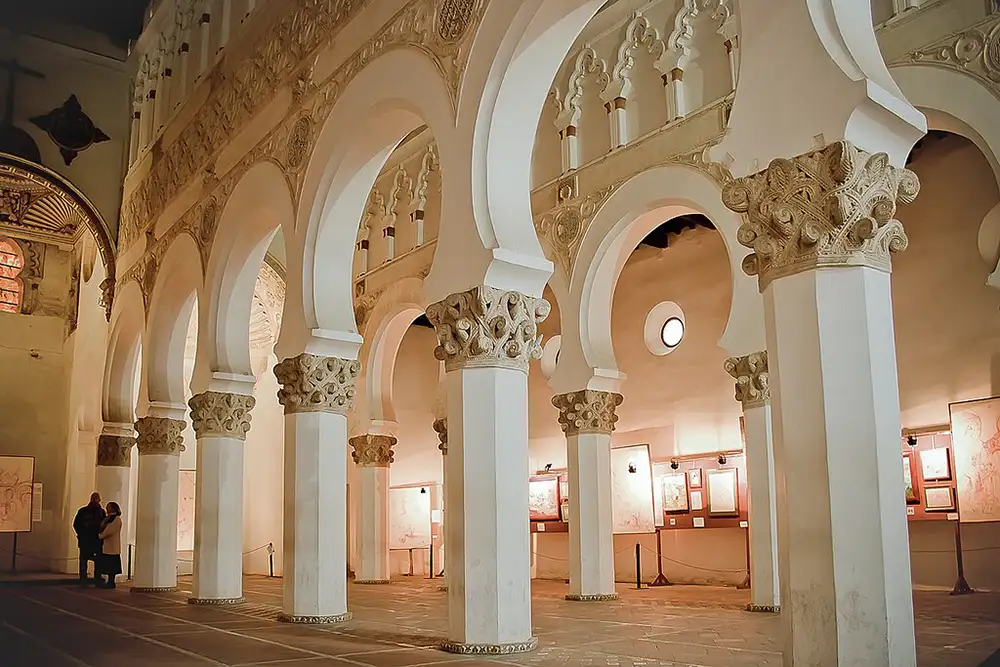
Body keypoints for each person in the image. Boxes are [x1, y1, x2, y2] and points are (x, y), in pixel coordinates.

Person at [73, 492, 105, 586]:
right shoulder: (83, 511)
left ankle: (96, 580)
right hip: (87, 540)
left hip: (95, 540)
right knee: (84, 561)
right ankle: (84, 580)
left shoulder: (101, 512)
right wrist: (82, 534)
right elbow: (76, 524)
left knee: (97, 561)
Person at [98, 502, 123, 589]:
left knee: (112, 565)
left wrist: (101, 535)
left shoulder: (116, 519)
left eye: (109, 507)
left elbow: (110, 530)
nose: (107, 508)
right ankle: (109, 581)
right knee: (107, 565)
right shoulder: (108, 518)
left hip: (113, 546)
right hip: (107, 545)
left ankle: (111, 582)